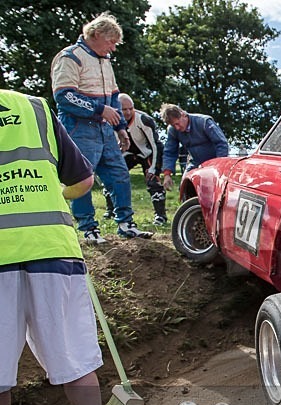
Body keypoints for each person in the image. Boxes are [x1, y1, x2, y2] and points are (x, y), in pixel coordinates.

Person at [0, 89, 133, 405]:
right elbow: (82, 179)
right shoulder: (34, 108)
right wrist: (46, 198)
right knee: (74, 357)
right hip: (51, 249)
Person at [50, 12, 152, 244]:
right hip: (79, 127)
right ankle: (88, 229)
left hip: (106, 128)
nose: (113, 48)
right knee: (82, 177)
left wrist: (121, 128)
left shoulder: (105, 62)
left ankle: (126, 224)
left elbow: (115, 96)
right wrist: (98, 109)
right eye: (111, 42)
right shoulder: (70, 57)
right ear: (94, 35)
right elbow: (64, 96)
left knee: (119, 174)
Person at [104, 93, 169, 226]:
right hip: (125, 153)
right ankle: (111, 210)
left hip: (146, 153)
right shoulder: (109, 119)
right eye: (124, 109)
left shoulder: (144, 120)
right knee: (111, 177)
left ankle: (160, 215)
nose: (128, 112)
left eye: (130, 108)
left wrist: (154, 168)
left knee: (153, 181)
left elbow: (156, 145)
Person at [159, 103, 229, 190]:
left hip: (215, 162)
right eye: (173, 125)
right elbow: (170, 152)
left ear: (183, 114)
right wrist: (167, 174)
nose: (177, 128)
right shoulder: (173, 131)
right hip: (195, 162)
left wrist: (218, 166)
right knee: (184, 188)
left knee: (216, 188)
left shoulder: (204, 122)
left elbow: (221, 143)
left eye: (177, 123)